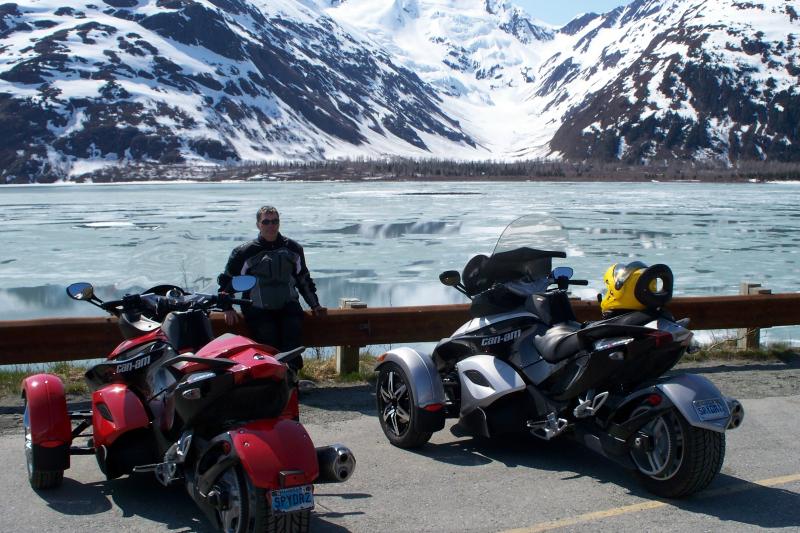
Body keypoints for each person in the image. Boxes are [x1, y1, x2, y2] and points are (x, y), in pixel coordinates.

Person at [217, 206, 327, 354]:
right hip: (258, 309)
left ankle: (291, 374)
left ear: (279, 223)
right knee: (269, 345)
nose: (271, 226)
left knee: (292, 346)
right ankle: (271, 376)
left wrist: (315, 304)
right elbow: (228, 280)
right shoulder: (244, 252)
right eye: (266, 222)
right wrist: (227, 307)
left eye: (274, 221)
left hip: (288, 306)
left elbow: (303, 279)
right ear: (258, 225)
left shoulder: (293, 249)